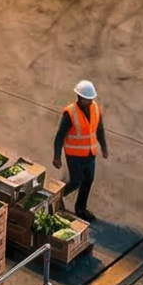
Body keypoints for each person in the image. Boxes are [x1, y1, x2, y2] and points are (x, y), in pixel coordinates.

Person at [53, 80, 105, 220]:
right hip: (74, 155)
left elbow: (99, 129)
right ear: (79, 98)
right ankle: (56, 197)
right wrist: (57, 156)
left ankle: (81, 208)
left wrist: (104, 146)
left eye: (90, 99)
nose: (89, 101)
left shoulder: (95, 109)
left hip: (90, 153)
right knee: (76, 181)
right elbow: (60, 135)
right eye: (86, 99)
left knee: (88, 180)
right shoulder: (70, 113)